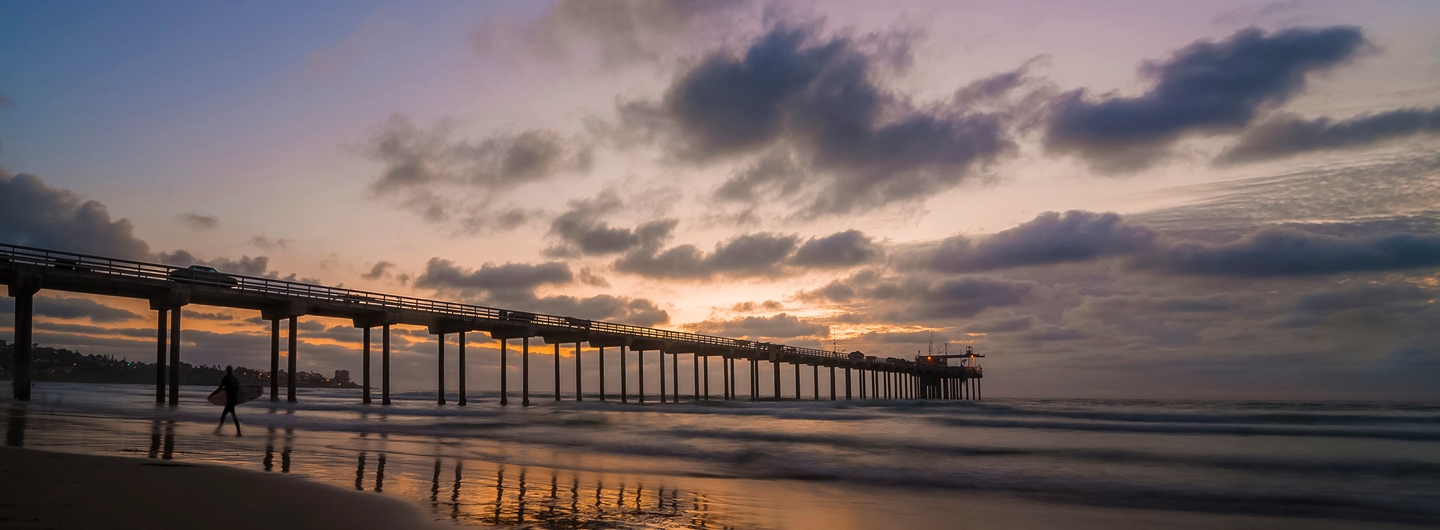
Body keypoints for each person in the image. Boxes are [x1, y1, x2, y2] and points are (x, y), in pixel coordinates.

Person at [216, 366, 242, 436]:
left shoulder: (225, 378)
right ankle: (238, 432)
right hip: (234, 399)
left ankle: (219, 430)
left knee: (225, 415)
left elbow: (219, 388)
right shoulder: (235, 379)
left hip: (230, 400)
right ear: (232, 370)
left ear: (226, 370)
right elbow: (237, 389)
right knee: (230, 415)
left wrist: (213, 395)